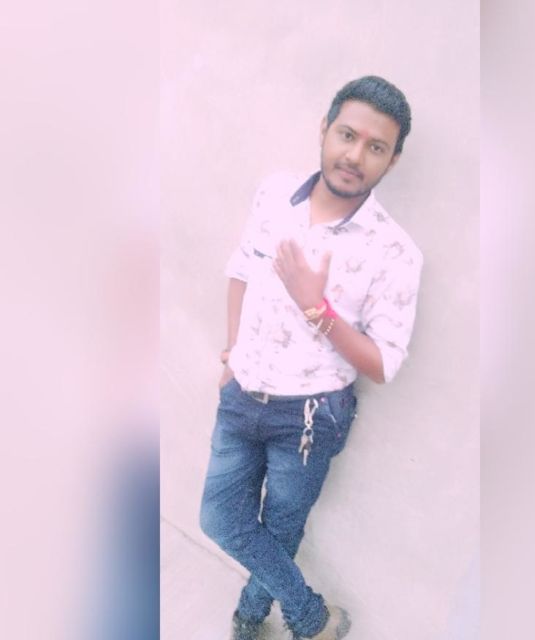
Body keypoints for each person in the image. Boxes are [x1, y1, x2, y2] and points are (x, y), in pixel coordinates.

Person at [200, 75, 423, 640]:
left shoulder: (395, 252)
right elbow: (241, 269)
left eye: (376, 147)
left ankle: (250, 617)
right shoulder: (275, 193)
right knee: (219, 518)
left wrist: (315, 308)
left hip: (309, 416)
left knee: (281, 527)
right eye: (347, 135)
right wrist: (232, 353)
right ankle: (311, 617)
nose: (355, 156)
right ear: (325, 129)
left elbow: (383, 363)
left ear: (392, 160)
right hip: (241, 393)